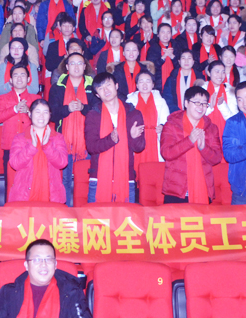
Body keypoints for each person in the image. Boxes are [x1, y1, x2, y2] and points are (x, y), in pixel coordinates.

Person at [84, 72, 146, 203]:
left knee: (125, 216)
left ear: (116, 86)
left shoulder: (133, 114)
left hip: (126, 177)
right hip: (98, 178)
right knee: (97, 216)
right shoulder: (93, 115)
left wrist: (132, 137)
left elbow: (139, 147)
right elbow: (91, 147)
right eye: (101, 88)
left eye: (108, 85)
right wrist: (110, 140)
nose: (106, 90)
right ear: (97, 94)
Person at [160, 86, 223, 204]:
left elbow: (217, 158)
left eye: (204, 104)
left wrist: (203, 148)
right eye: (197, 102)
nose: (201, 107)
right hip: (177, 191)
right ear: (186, 103)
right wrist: (189, 140)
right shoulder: (171, 125)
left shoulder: (212, 128)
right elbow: (166, 153)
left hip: (203, 188)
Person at [48, 53, 95, 206]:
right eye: (72, 63)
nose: (76, 67)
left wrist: (83, 108)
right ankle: (66, 212)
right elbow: (51, 114)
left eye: (80, 63)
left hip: (87, 140)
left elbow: (98, 112)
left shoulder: (93, 87)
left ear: (85, 66)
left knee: (85, 178)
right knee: (65, 179)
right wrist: (67, 109)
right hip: (63, 140)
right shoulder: (57, 88)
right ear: (67, 67)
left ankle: (86, 211)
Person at [8, 99, 70, 203]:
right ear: (30, 114)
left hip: (52, 196)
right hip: (24, 196)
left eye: (45, 112)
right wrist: (32, 146)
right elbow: (15, 164)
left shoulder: (57, 138)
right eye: (37, 112)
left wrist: (47, 146)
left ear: (50, 115)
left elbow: (62, 163)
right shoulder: (20, 138)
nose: (41, 116)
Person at [0, 63, 42, 170]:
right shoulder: (3, 98)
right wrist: (15, 109)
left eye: (22, 75)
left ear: (28, 79)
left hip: (31, 143)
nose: (19, 78)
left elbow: (42, 120)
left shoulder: (36, 98)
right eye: (16, 75)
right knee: (10, 177)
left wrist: (28, 112)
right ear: (11, 80)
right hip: (9, 144)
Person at [127, 71, 169, 175]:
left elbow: (167, 120)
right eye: (141, 82)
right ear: (137, 85)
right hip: (137, 137)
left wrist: (162, 126)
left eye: (148, 81)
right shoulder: (130, 101)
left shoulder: (160, 101)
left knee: (155, 170)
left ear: (153, 84)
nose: (144, 85)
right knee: (137, 168)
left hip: (154, 136)